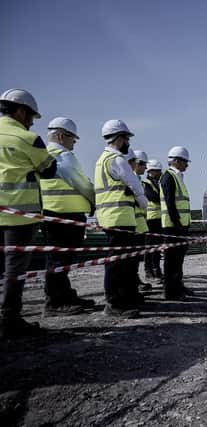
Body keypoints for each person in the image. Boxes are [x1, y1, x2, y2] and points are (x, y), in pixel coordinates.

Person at [0, 89, 57, 339]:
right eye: (31, 116)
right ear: (21, 111)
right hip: (18, 216)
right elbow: (49, 169)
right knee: (14, 270)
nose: (32, 122)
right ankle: (10, 320)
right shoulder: (28, 138)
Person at [40, 117, 96, 316]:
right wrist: (93, 201)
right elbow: (81, 183)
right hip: (64, 215)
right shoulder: (63, 155)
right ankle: (56, 302)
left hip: (53, 213)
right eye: (73, 138)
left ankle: (64, 295)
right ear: (62, 135)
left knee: (58, 259)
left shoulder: (43, 155)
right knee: (59, 260)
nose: (75, 142)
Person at [94, 120, 148, 318]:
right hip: (119, 218)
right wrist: (142, 201)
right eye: (126, 137)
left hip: (109, 217)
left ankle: (124, 298)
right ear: (118, 138)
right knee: (118, 264)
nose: (127, 141)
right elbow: (134, 183)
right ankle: (115, 303)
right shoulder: (116, 159)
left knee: (119, 263)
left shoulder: (102, 159)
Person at [160, 146, 192, 300]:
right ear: (177, 161)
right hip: (173, 226)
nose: (187, 165)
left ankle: (178, 285)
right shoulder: (168, 177)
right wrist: (176, 221)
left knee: (178, 259)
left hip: (180, 225)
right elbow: (169, 202)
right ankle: (171, 291)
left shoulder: (177, 176)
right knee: (172, 259)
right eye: (185, 162)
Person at [130, 150, 152, 291]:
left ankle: (135, 279)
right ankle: (133, 282)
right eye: (142, 164)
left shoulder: (138, 180)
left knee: (136, 256)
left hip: (140, 223)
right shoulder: (131, 179)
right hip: (132, 225)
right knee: (131, 257)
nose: (145, 167)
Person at [143, 159, 163, 281]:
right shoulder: (145, 183)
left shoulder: (158, 182)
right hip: (150, 218)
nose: (160, 173)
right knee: (149, 246)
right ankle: (148, 270)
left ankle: (156, 269)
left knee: (158, 246)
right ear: (151, 171)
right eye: (158, 171)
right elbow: (153, 197)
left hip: (159, 218)